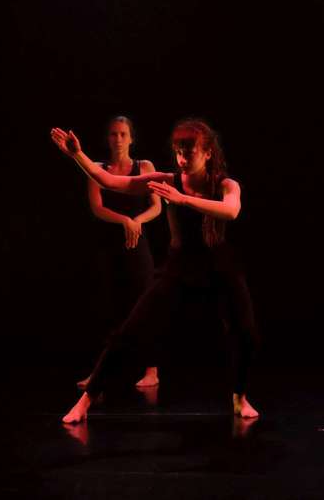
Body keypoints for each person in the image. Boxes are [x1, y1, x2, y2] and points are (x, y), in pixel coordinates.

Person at [51, 119, 261, 422]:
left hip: (220, 265)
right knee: (129, 332)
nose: (182, 159)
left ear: (208, 153)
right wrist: (77, 155)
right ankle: (85, 401)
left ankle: (239, 397)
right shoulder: (167, 181)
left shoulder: (226, 185)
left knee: (246, 333)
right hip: (179, 265)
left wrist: (183, 199)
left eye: (189, 152)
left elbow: (231, 210)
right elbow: (109, 181)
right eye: (178, 152)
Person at [77, 116, 162, 390]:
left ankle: (152, 370)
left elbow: (157, 206)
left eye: (123, 134)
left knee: (144, 305)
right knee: (108, 308)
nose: (118, 139)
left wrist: (136, 221)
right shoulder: (98, 168)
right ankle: (101, 374)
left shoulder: (144, 167)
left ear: (131, 138)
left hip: (137, 245)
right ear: (108, 138)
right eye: (114, 134)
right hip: (109, 246)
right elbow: (97, 207)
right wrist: (124, 220)